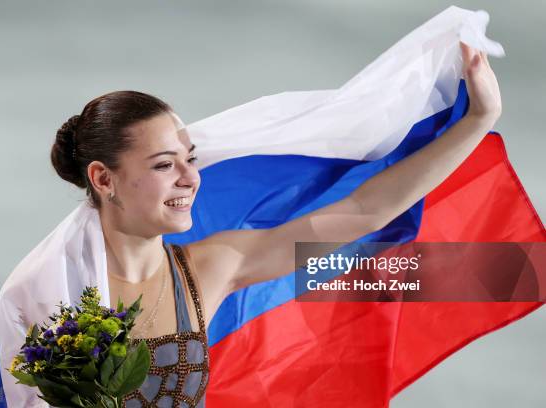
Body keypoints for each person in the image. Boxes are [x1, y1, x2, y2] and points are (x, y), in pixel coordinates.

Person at [45, 41, 500, 407]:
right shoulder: (52, 289)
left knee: (504, 272)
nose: (190, 179)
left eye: (191, 160)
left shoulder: (210, 269)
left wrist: (479, 121)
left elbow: (364, 211)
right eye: (165, 165)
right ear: (104, 178)